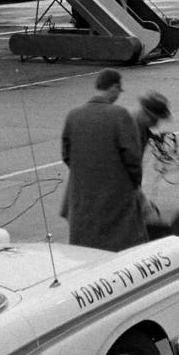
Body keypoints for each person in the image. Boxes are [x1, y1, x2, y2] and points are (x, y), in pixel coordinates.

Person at [59, 69, 149, 251]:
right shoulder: (120, 115)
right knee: (123, 242)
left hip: (83, 192)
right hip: (116, 193)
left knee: (86, 244)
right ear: (114, 88)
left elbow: (67, 154)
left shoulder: (74, 115)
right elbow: (132, 158)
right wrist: (135, 184)